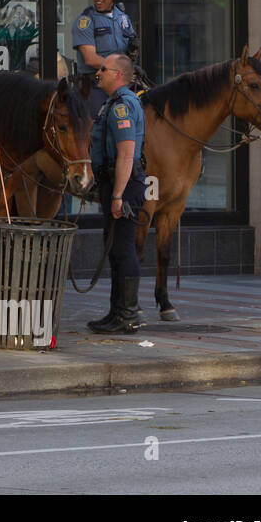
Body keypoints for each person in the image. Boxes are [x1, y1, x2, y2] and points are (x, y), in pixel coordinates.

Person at [87, 54, 147, 334]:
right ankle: (116, 312)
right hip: (115, 183)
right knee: (114, 250)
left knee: (123, 249)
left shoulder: (122, 107)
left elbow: (126, 155)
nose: (98, 72)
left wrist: (118, 196)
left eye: (103, 69)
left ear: (118, 75)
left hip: (125, 183)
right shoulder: (111, 104)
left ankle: (129, 315)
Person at [71, 0, 137, 117]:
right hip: (95, 86)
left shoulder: (123, 18)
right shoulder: (85, 21)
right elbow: (90, 58)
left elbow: (131, 48)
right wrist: (121, 69)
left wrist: (132, 62)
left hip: (121, 82)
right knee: (101, 121)